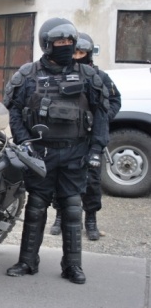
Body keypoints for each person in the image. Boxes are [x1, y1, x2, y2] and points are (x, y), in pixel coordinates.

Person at [3, 17, 109, 284]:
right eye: (59, 42)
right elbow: (14, 110)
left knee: (73, 208)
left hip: (75, 152)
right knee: (36, 207)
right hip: (40, 152)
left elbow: (102, 114)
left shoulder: (89, 75)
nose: (65, 46)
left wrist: (96, 149)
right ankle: (27, 261)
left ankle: (72, 266)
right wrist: (24, 141)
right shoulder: (28, 74)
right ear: (46, 44)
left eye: (68, 42)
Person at [49, 32, 122, 240]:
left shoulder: (98, 76)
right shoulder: (60, 73)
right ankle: (60, 216)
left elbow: (115, 101)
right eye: (75, 51)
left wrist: (100, 118)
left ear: (88, 54)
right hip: (67, 135)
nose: (77, 55)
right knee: (60, 178)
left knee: (92, 181)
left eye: (81, 52)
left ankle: (91, 220)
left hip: (90, 138)